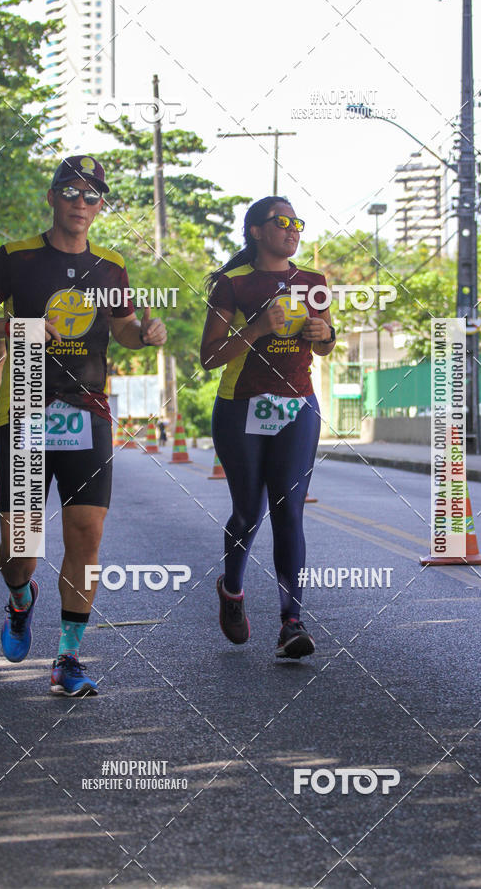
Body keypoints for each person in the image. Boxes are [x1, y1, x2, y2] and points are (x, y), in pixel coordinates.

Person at [0, 154, 166, 696]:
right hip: (27, 399)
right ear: (51, 197)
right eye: (70, 191)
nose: (81, 202)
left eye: (92, 195)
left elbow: (121, 329)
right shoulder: (16, 257)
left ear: (101, 206)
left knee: (86, 534)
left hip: (88, 407)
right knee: (21, 551)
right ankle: (21, 599)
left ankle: (69, 657)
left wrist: (145, 334)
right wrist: (17, 324)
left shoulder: (112, 266)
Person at [200, 196, 335, 659]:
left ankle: (291, 622)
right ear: (256, 231)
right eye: (282, 222)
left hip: (298, 406)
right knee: (247, 512)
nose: (293, 229)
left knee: (289, 510)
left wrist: (325, 336)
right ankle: (232, 590)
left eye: (297, 222)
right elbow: (210, 357)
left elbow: (324, 347)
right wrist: (256, 329)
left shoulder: (314, 282)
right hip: (241, 407)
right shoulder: (232, 285)